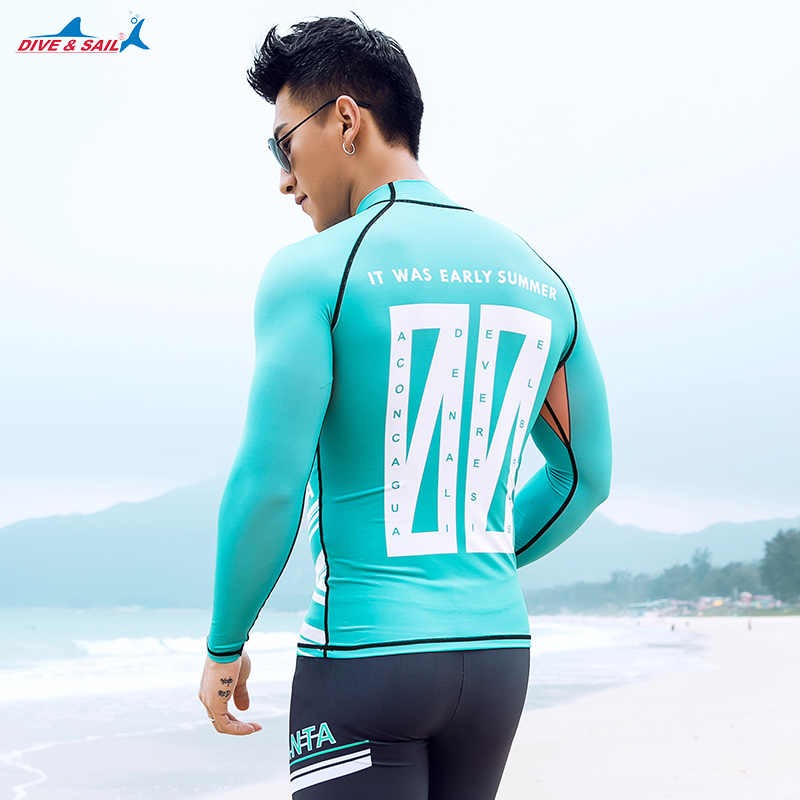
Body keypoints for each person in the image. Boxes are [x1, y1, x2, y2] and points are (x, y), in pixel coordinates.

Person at [197, 12, 612, 799]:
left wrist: (225, 644)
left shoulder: (314, 272)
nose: (285, 178)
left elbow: (270, 485)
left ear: (345, 120)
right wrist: (472, 563)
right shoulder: (541, 278)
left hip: (364, 659)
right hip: (497, 659)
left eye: (284, 145)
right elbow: (584, 477)